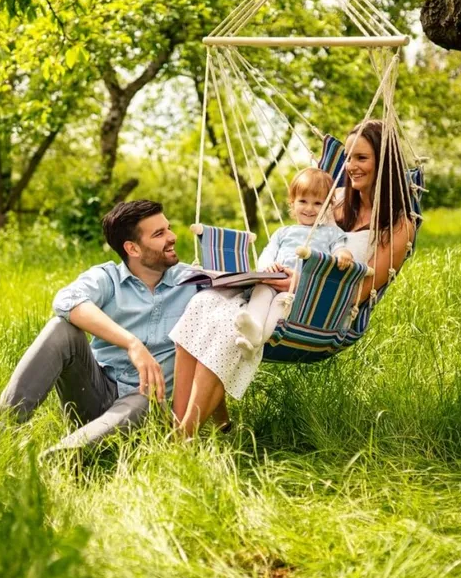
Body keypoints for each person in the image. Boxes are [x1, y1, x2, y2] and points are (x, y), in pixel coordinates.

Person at [170, 120, 415, 436]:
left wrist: (298, 284)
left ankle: (183, 436)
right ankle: (186, 421)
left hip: (320, 309)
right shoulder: (336, 198)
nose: (351, 167)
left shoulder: (398, 226)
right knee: (203, 303)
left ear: (384, 162)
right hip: (275, 288)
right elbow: (302, 210)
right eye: (349, 157)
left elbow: (360, 291)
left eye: (361, 158)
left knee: (228, 323)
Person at [0, 200, 197, 451]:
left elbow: (241, 284)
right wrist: (132, 343)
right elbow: (66, 300)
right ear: (132, 248)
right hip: (95, 394)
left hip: (147, 408)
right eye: (159, 233)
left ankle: (63, 455)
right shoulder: (107, 277)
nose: (172, 237)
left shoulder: (192, 281)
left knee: (146, 400)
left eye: (168, 228)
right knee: (62, 328)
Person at [234, 167, 354, 353]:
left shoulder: (332, 233)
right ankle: (253, 329)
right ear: (293, 202)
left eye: (317, 203)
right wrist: (267, 267)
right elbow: (268, 252)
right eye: (303, 201)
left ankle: (258, 342)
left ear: (328, 206)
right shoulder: (283, 232)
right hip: (273, 280)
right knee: (261, 292)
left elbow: (340, 250)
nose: (309, 208)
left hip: (300, 290)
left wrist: (344, 255)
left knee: (282, 302)